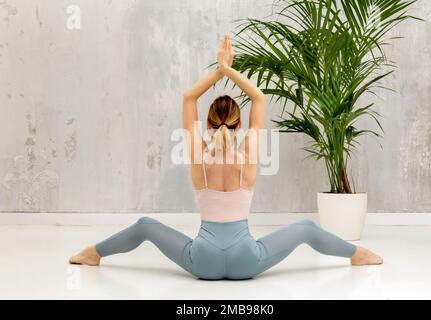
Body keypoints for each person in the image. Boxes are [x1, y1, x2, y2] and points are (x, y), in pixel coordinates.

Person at [69, 35, 382, 280]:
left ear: (207, 124)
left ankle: (93, 254)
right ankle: (357, 255)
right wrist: (229, 69)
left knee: (146, 225)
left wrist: (217, 70)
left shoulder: (197, 154)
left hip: (201, 260)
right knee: (305, 229)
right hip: (247, 259)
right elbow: (258, 97)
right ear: (239, 125)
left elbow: (188, 96)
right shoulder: (247, 154)